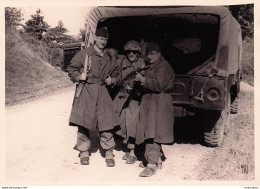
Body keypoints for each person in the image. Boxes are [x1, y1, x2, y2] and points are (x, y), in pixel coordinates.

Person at [67, 27, 121, 167]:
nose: (103, 42)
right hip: (87, 90)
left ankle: (108, 151)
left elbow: (117, 73)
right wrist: (79, 76)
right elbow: (71, 68)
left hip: (103, 91)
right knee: (84, 122)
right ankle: (84, 151)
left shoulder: (109, 57)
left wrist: (112, 80)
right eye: (101, 39)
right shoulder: (85, 54)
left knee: (106, 122)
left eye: (105, 39)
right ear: (95, 38)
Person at [134, 42, 175, 177]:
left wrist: (143, 79)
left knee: (153, 132)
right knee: (150, 130)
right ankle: (157, 159)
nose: (149, 57)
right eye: (148, 54)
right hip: (151, 100)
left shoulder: (164, 66)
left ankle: (151, 165)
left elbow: (158, 85)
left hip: (159, 101)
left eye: (152, 54)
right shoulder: (152, 66)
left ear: (159, 53)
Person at [113, 40, 145, 164]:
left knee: (133, 123)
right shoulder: (121, 62)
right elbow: (117, 77)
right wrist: (122, 85)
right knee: (122, 123)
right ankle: (128, 147)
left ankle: (133, 151)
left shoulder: (143, 63)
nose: (131, 54)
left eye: (134, 52)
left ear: (138, 53)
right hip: (122, 97)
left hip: (136, 99)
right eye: (129, 52)